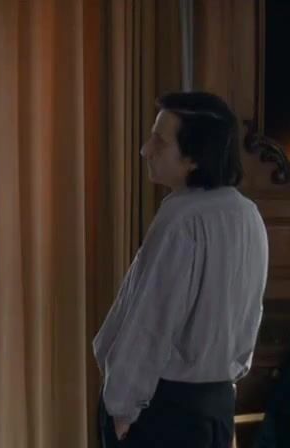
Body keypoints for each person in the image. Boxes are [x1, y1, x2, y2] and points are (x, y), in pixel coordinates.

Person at [93, 92, 269, 448]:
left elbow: (152, 319)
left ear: (193, 158)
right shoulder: (248, 215)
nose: (145, 150)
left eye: (159, 141)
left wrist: (122, 408)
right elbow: (249, 317)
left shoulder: (181, 218)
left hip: (165, 413)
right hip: (216, 407)